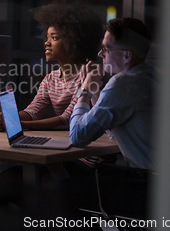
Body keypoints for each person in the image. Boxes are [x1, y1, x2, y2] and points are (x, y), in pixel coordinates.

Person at [0, 0, 113, 207]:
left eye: (54, 38)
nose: (46, 42)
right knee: (3, 183)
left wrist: (16, 125)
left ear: (74, 40)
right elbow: (33, 111)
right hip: (61, 157)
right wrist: (6, 118)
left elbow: (66, 120)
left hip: (87, 164)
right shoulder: (51, 79)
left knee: (21, 187)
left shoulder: (89, 75)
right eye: (46, 37)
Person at [66, 17, 157, 218]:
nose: (100, 54)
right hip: (162, 187)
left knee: (53, 191)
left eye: (106, 49)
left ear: (126, 56)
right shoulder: (151, 76)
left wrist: (84, 90)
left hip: (142, 190)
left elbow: (78, 135)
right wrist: (96, 90)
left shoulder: (122, 83)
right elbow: (113, 130)